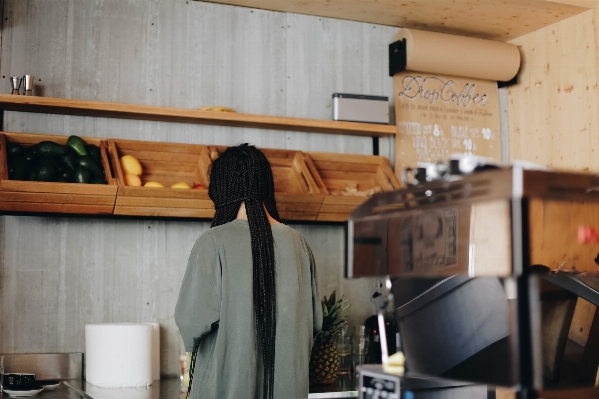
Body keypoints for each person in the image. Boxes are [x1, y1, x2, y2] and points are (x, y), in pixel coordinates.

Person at [175, 143, 323, 399]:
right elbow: (316, 323)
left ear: (221, 190)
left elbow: (190, 323)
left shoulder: (213, 241)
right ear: (266, 186)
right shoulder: (299, 243)